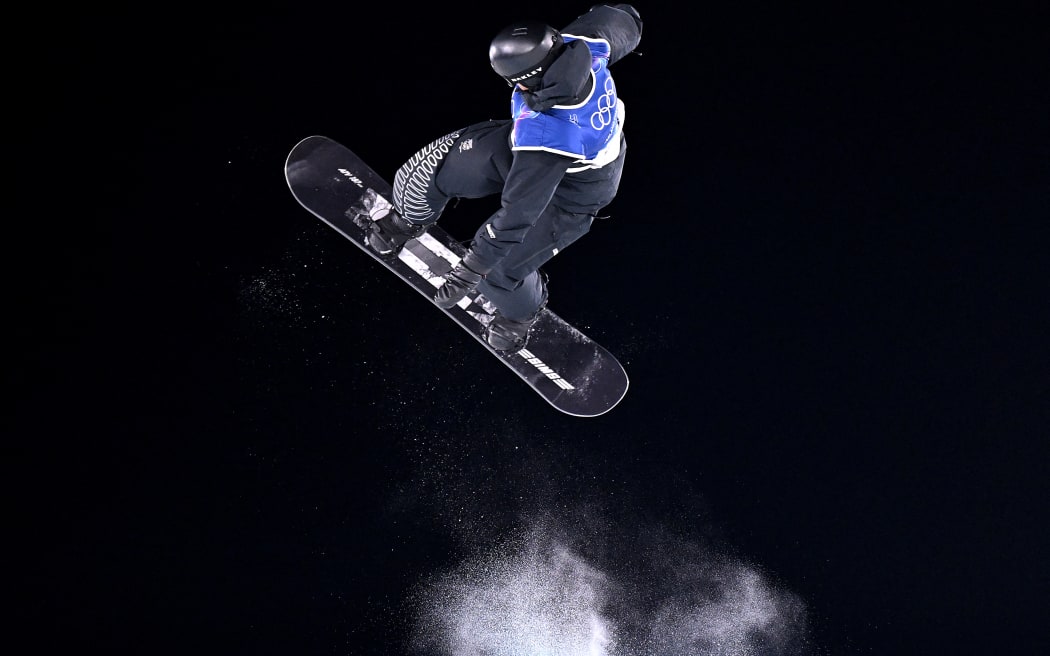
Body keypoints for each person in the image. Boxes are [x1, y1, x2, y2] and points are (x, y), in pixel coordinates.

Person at [363, 4, 643, 352]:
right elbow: (622, 22)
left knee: (497, 271)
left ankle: (522, 312)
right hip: (522, 148)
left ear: (526, 79)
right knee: (426, 171)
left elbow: (516, 216)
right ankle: (410, 219)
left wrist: (470, 271)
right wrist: (626, 15)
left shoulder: (549, 136)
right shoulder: (581, 44)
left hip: (574, 194)